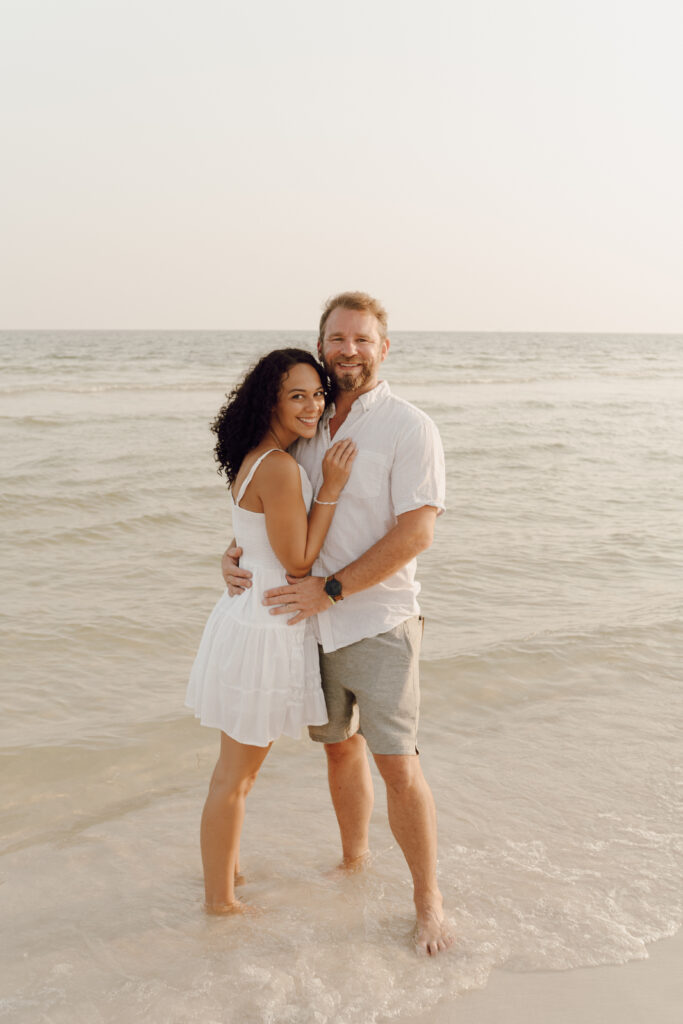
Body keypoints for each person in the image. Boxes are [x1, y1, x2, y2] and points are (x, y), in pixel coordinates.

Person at [222, 293, 454, 955]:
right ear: (319, 345)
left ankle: (427, 902)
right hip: (306, 627)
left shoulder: (409, 428)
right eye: (335, 339)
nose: (346, 350)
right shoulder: (305, 419)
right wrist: (232, 555)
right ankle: (354, 862)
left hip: (377, 621)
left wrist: (330, 589)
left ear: (384, 348)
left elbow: (417, 533)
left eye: (360, 339)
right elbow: (266, 507)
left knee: (398, 766)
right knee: (336, 748)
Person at [186, 348, 357, 914]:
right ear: (271, 401)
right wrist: (330, 485)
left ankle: (226, 874)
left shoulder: (255, 458)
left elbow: (252, 545)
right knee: (234, 779)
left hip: (249, 617)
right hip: (263, 626)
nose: (312, 406)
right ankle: (220, 904)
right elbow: (300, 563)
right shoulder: (281, 467)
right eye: (297, 396)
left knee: (236, 776)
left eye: (317, 394)